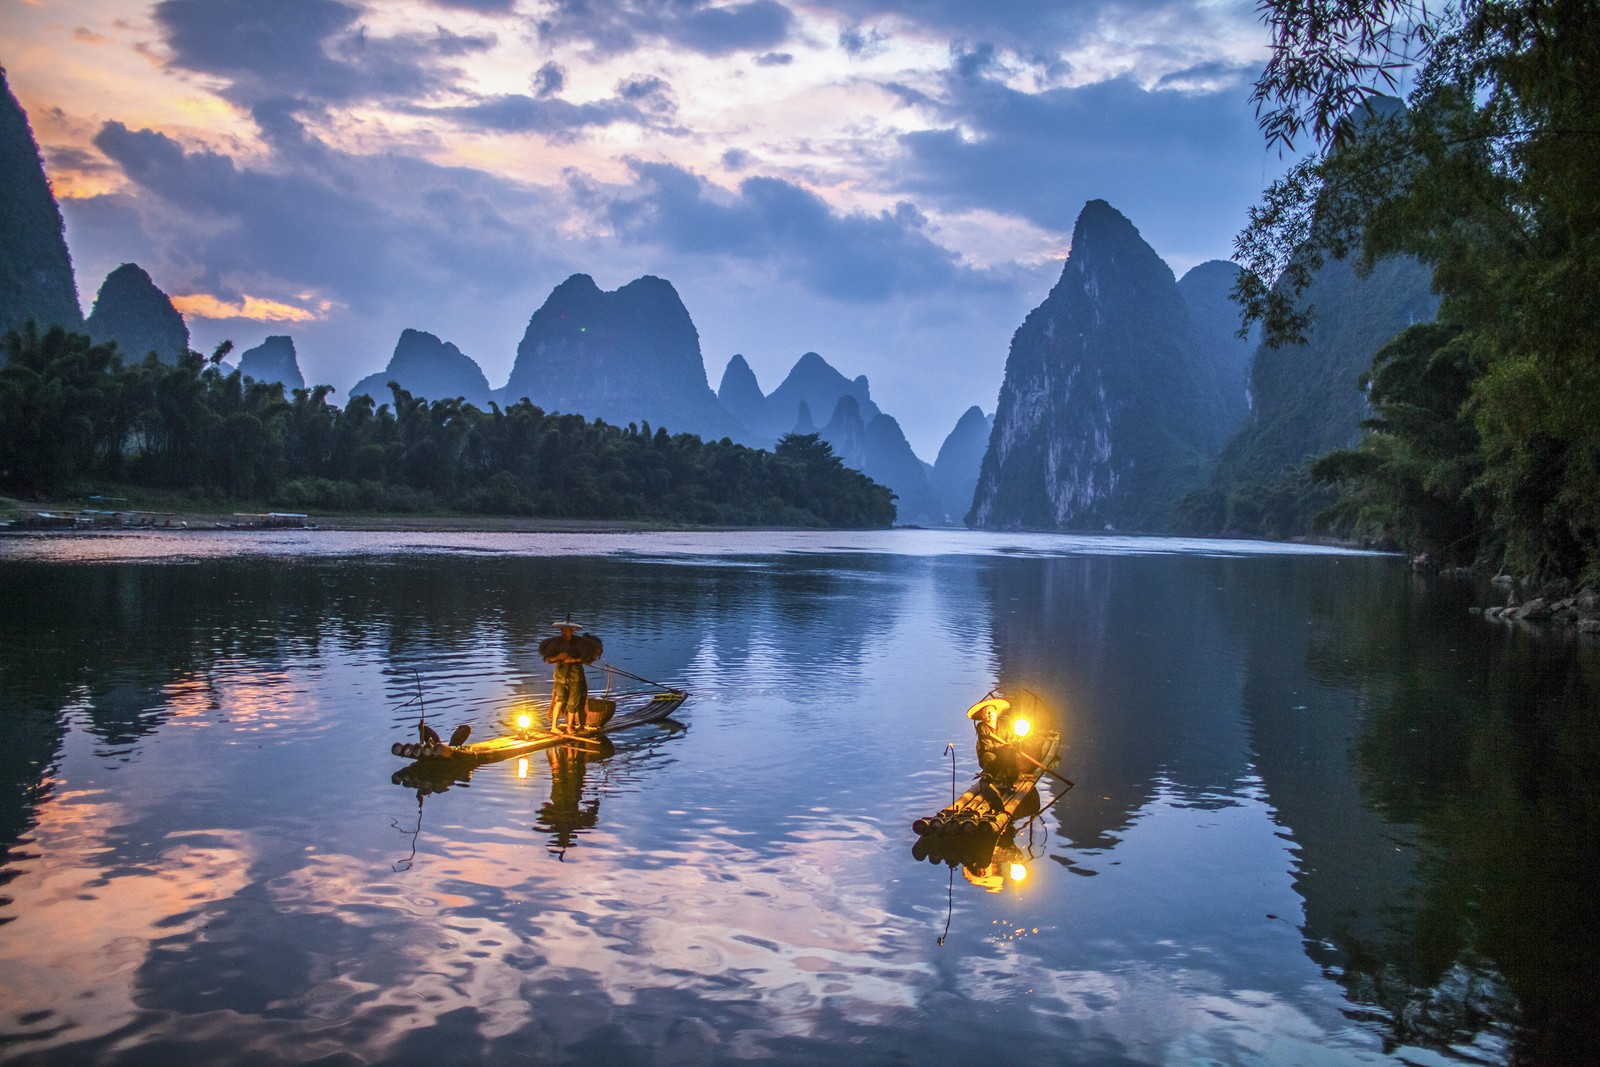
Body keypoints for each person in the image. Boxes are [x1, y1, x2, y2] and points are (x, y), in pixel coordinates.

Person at [968, 697, 1020, 786]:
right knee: (990, 757)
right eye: (986, 712)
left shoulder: (1005, 724)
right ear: (982, 716)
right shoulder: (982, 727)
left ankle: (1010, 779)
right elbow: (987, 747)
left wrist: (1012, 743)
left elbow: (1012, 737)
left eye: (991, 711)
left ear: (996, 713)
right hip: (989, 755)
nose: (989, 713)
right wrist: (1002, 747)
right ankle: (988, 779)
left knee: (1013, 754)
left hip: (1007, 752)